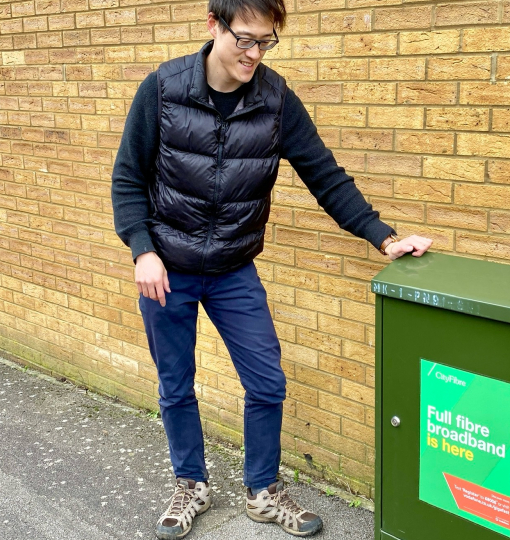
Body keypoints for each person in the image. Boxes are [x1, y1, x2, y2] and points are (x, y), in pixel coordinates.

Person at [111, 0, 432, 537]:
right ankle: (190, 484)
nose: (255, 53)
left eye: (267, 42)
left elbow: (325, 175)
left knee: (267, 382)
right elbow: (127, 179)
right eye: (246, 39)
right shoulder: (163, 89)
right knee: (176, 385)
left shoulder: (276, 101)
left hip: (235, 270)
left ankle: (262, 492)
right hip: (167, 268)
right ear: (214, 26)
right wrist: (142, 248)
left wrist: (382, 236)